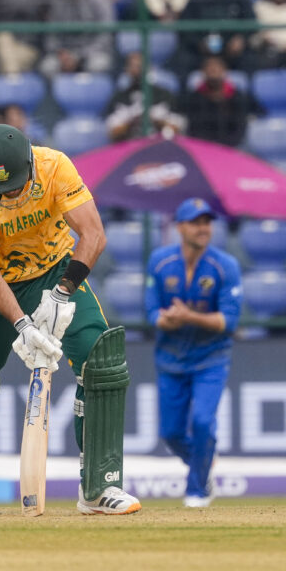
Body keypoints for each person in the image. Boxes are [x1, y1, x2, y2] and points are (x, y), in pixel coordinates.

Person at [0, 124, 141, 516]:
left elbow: (94, 235)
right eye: (0, 191)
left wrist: (63, 292)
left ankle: (99, 486)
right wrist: (22, 324)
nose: (10, 196)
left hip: (57, 271)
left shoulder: (55, 167)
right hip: (4, 284)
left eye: (16, 186)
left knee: (100, 361)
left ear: (30, 163)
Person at [146, 198, 242, 508]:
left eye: (207, 222)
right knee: (171, 433)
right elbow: (151, 310)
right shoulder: (160, 262)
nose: (203, 228)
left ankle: (197, 492)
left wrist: (188, 316)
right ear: (180, 227)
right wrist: (165, 320)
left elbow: (229, 322)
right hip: (170, 359)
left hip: (211, 358)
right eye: (196, 222)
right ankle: (203, 463)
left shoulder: (225, 266)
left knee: (202, 422)